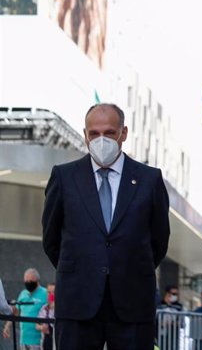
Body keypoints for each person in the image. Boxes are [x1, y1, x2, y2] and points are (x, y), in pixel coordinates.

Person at [42, 103, 171, 350]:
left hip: (132, 304)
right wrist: (83, 270)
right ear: (85, 134)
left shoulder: (149, 179)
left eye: (109, 133)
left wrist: (127, 268)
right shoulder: (64, 177)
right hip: (78, 302)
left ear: (123, 133)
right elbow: (51, 239)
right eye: (94, 133)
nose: (101, 140)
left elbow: (159, 240)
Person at [2, 268, 48, 350]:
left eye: (30, 281)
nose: (28, 283)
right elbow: (16, 311)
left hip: (39, 341)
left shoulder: (45, 293)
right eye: (26, 281)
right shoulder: (23, 294)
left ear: (37, 281)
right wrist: (7, 326)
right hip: (23, 340)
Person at [36, 283, 55, 350]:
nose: (51, 295)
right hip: (45, 342)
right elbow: (36, 325)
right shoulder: (44, 308)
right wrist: (42, 327)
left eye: (53, 292)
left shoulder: (61, 309)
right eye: (49, 292)